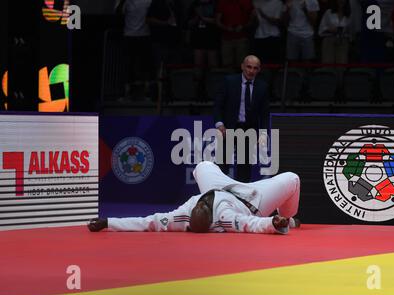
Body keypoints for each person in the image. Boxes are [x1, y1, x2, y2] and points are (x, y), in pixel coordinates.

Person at [88, 161, 301, 234]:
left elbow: (146, 222)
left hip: (219, 188)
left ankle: (286, 217)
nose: (199, 207)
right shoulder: (225, 218)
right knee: (292, 179)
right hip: (251, 199)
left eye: (200, 207)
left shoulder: (182, 216)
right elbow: (252, 224)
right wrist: (275, 223)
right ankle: (290, 217)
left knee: (203, 166)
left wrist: (107, 221)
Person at [213, 55, 270, 182]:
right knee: (222, 165)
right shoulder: (229, 81)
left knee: (244, 167)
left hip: (248, 130)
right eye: (249, 67)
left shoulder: (262, 87)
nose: (251, 71)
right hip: (228, 128)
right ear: (242, 66)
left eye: (255, 68)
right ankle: (218, 195)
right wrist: (220, 124)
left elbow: (264, 113)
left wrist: (263, 133)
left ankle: (241, 199)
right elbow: (218, 105)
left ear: (259, 70)